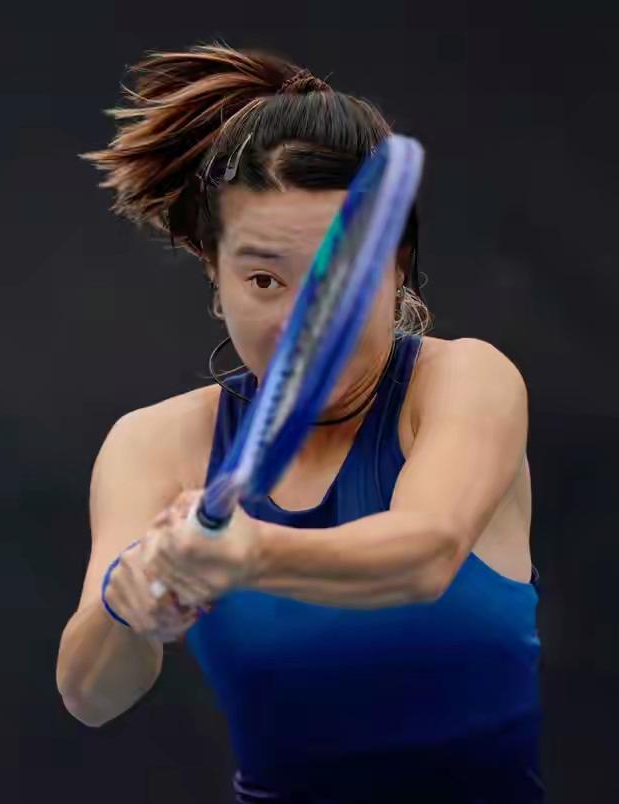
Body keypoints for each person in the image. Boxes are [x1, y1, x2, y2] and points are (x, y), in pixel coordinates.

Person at [55, 43, 542, 803]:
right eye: (262, 279)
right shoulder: (154, 445)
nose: (301, 320)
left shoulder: (467, 381)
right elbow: (90, 695)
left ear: (397, 264)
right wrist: (133, 597)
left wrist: (247, 555)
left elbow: (425, 555)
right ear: (212, 270)